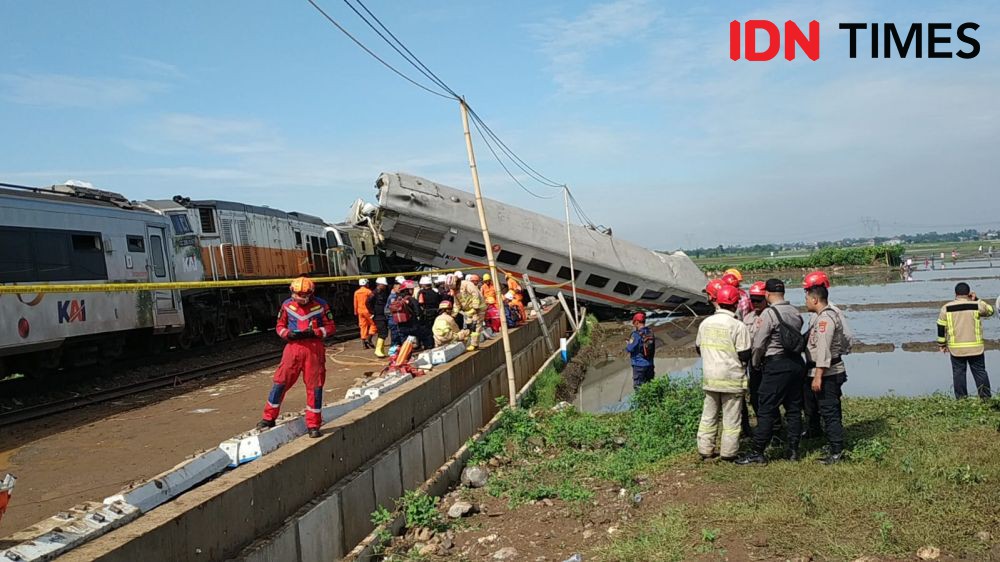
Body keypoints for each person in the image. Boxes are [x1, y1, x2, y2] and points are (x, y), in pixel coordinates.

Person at [737, 279, 806, 465]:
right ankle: (793, 451)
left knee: (766, 407)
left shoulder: (768, 314)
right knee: (793, 408)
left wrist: (756, 363)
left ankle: (758, 451)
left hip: (776, 365)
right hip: (796, 363)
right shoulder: (795, 311)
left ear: (767, 294)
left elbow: (759, 344)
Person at [257, 277, 335, 438]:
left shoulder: (321, 305)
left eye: (302, 295)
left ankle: (313, 424)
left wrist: (315, 332)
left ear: (310, 294)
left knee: (315, 387)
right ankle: (268, 417)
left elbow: (331, 327)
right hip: (293, 349)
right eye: (296, 294)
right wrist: (287, 334)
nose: (299, 298)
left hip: (313, 349)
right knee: (280, 382)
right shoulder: (287, 305)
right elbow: (279, 326)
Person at [695, 284, 752, 461]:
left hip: (711, 379)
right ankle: (729, 453)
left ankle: (705, 450)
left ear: (718, 302)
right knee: (731, 420)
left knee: (708, 416)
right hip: (731, 379)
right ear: (735, 304)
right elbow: (745, 354)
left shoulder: (705, 324)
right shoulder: (738, 326)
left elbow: (698, 348)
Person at [803, 271, 849, 464]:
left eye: (806, 297)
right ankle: (833, 444)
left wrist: (818, 375)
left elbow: (823, 349)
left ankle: (837, 451)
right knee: (828, 409)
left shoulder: (825, 319)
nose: (805, 301)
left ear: (815, 299)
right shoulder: (821, 316)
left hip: (828, 373)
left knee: (830, 411)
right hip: (826, 370)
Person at [937, 282, 995, 399]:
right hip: (976, 348)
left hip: (956, 349)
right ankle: (985, 399)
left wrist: (942, 344)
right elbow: (990, 311)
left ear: (955, 294)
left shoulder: (946, 308)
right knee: (980, 373)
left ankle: (961, 399)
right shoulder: (976, 306)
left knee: (958, 374)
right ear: (969, 294)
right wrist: (977, 299)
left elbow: (940, 326)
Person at [740, 281, 768, 437]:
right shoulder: (748, 318)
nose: (755, 303)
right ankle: (762, 425)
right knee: (755, 396)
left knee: (769, 398)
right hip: (753, 364)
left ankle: (773, 428)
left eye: (759, 299)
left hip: (768, 363)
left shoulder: (771, 316)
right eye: (753, 300)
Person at [626, 312, 656, 389]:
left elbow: (629, 349)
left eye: (634, 323)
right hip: (650, 365)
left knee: (639, 389)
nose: (633, 325)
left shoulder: (635, 334)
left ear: (637, 322)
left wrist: (628, 343)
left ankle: (642, 401)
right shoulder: (650, 332)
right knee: (650, 388)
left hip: (639, 366)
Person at [458, 274, 486, 350]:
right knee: (470, 326)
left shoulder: (474, 289)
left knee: (476, 326)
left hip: (478, 310)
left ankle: (474, 344)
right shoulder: (467, 287)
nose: (475, 282)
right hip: (471, 310)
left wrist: (475, 307)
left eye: (476, 281)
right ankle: (470, 342)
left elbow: (476, 298)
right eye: (473, 281)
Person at [390, 280, 420, 346]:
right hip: (411, 322)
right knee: (415, 337)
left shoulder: (397, 298)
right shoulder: (411, 299)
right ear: (408, 289)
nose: (412, 290)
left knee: (404, 339)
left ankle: (404, 352)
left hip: (400, 323)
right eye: (411, 289)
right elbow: (417, 309)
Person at [368, 277, 390, 358]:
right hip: (378, 316)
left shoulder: (383, 292)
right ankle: (378, 350)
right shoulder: (374, 293)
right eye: (383, 285)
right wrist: (372, 312)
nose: (385, 286)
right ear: (379, 285)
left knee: (384, 332)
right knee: (382, 332)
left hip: (382, 315)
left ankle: (381, 350)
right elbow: (368, 302)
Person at [417, 276, 441, 348]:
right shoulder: (435, 292)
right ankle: (435, 343)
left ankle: (429, 345)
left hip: (426, 314)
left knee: (427, 330)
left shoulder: (422, 293)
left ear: (423, 284)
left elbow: (420, 302)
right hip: (436, 313)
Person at [353, 279, 375, 349]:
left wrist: (355, 311)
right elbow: (372, 302)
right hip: (368, 311)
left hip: (360, 311)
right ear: (366, 284)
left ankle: (364, 343)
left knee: (363, 326)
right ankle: (369, 339)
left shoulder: (356, 292)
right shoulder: (368, 291)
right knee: (374, 324)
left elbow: (355, 303)